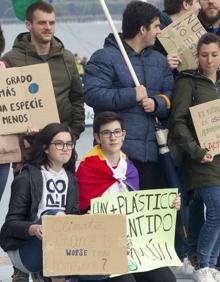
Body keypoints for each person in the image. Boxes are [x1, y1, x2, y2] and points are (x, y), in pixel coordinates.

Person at [76, 111, 181, 282]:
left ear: (123, 135)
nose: (113, 137)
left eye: (117, 132)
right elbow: (78, 212)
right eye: (106, 133)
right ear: (97, 137)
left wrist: (168, 205)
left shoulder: (130, 168)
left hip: (134, 246)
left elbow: (140, 210)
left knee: (166, 279)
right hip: (102, 248)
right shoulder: (87, 169)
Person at [83, 0, 174, 190]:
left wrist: (157, 104)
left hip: (153, 156)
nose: (160, 31)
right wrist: (131, 95)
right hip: (116, 156)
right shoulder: (104, 57)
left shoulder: (160, 61)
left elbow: (170, 95)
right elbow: (92, 94)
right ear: (143, 29)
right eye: (157, 26)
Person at [0, 122, 80, 282]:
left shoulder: (71, 179)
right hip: (25, 249)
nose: (65, 148)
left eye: (69, 144)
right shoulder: (26, 177)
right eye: (59, 144)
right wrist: (34, 228)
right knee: (53, 216)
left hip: (60, 248)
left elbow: (74, 218)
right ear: (45, 148)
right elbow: (10, 226)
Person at [170, 33, 220, 282]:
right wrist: (196, 151)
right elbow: (177, 122)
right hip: (201, 159)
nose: (209, 60)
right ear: (196, 56)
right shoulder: (187, 81)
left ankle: (209, 265)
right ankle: (204, 263)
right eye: (204, 55)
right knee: (217, 210)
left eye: (214, 54)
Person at [2, 1, 85, 141]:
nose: (48, 27)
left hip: (63, 144)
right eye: (42, 23)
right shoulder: (10, 60)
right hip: (29, 147)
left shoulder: (67, 58)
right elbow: (6, 107)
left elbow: (77, 98)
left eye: (52, 23)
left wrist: (73, 133)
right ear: (29, 24)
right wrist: (22, 139)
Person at [155, 0, 201, 70]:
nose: (200, 7)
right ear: (186, 4)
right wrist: (165, 64)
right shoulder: (156, 32)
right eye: (197, 2)